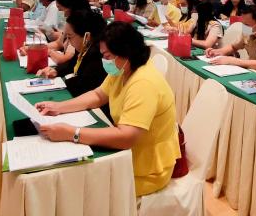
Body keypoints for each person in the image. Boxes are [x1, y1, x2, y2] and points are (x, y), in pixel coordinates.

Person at [35, 22, 180, 197]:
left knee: (79, 186)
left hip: (146, 170)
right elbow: (98, 95)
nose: (104, 61)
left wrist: (72, 133)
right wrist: (59, 107)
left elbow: (126, 137)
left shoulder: (144, 83)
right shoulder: (123, 68)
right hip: (129, 155)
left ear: (126, 52)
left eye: (107, 56)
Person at [37, 10, 108, 105]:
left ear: (87, 36)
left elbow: (83, 85)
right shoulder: (86, 46)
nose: (68, 42)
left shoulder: (99, 55)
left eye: (70, 37)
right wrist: (56, 71)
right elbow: (72, 63)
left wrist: (59, 83)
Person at [205, 5, 256, 70]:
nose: (244, 27)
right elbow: (233, 47)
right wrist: (217, 52)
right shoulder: (247, 30)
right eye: (243, 23)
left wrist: (233, 61)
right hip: (250, 69)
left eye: (246, 24)